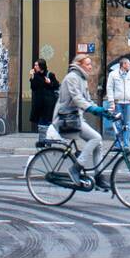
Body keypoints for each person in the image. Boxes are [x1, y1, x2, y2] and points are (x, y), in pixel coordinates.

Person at [47, 54, 116, 189]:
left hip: (75, 118)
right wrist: (93, 109)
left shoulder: (82, 78)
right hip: (65, 119)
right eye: (88, 64)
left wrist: (103, 112)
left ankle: (99, 176)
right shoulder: (72, 78)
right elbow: (78, 99)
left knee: (98, 143)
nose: (90, 67)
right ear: (79, 64)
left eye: (90, 64)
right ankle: (76, 168)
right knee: (96, 138)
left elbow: (87, 99)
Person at [106, 57, 130, 150]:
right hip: (117, 103)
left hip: (128, 103)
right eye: (129, 63)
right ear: (123, 65)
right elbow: (109, 88)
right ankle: (117, 145)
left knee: (127, 124)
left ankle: (126, 145)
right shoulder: (113, 74)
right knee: (117, 124)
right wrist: (111, 102)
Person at [29, 59, 60, 147]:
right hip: (39, 103)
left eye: (36, 65)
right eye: (34, 65)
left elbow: (56, 85)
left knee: (47, 123)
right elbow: (33, 88)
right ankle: (42, 141)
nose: (34, 67)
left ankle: (48, 141)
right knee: (41, 123)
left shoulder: (50, 74)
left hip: (48, 104)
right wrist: (32, 77)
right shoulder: (34, 75)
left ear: (41, 66)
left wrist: (50, 82)